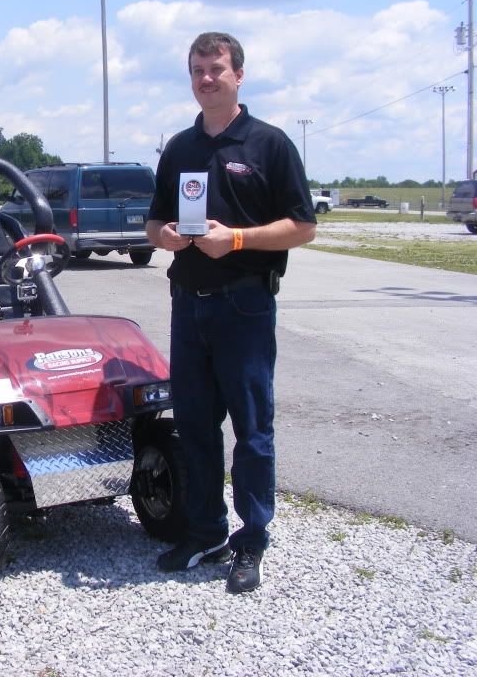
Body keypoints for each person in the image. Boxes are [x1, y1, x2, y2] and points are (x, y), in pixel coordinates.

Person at [146, 32, 316, 594]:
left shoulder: (269, 144)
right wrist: (166, 237)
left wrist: (237, 239)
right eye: (197, 69)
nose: (206, 78)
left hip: (244, 305)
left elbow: (303, 226)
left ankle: (252, 539)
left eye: (216, 68)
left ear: (238, 75)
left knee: (251, 428)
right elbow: (153, 223)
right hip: (187, 304)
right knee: (194, 425)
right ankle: (205, 531)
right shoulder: (180, 148)